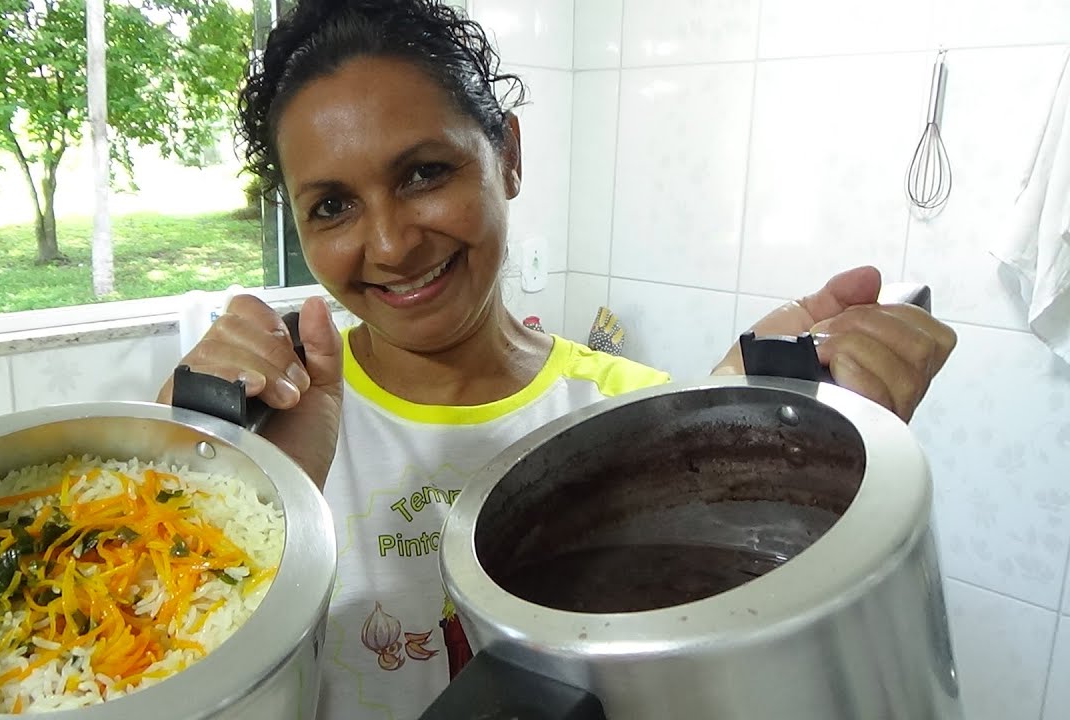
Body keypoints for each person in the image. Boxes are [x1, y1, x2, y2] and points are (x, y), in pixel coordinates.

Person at [157, 0, 958, 716]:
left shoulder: (625, 417)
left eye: (425, 173)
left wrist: (775, 460)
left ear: (506, 153)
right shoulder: (275, 435)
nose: (393, 244)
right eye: (332, 206)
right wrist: (202, 506)